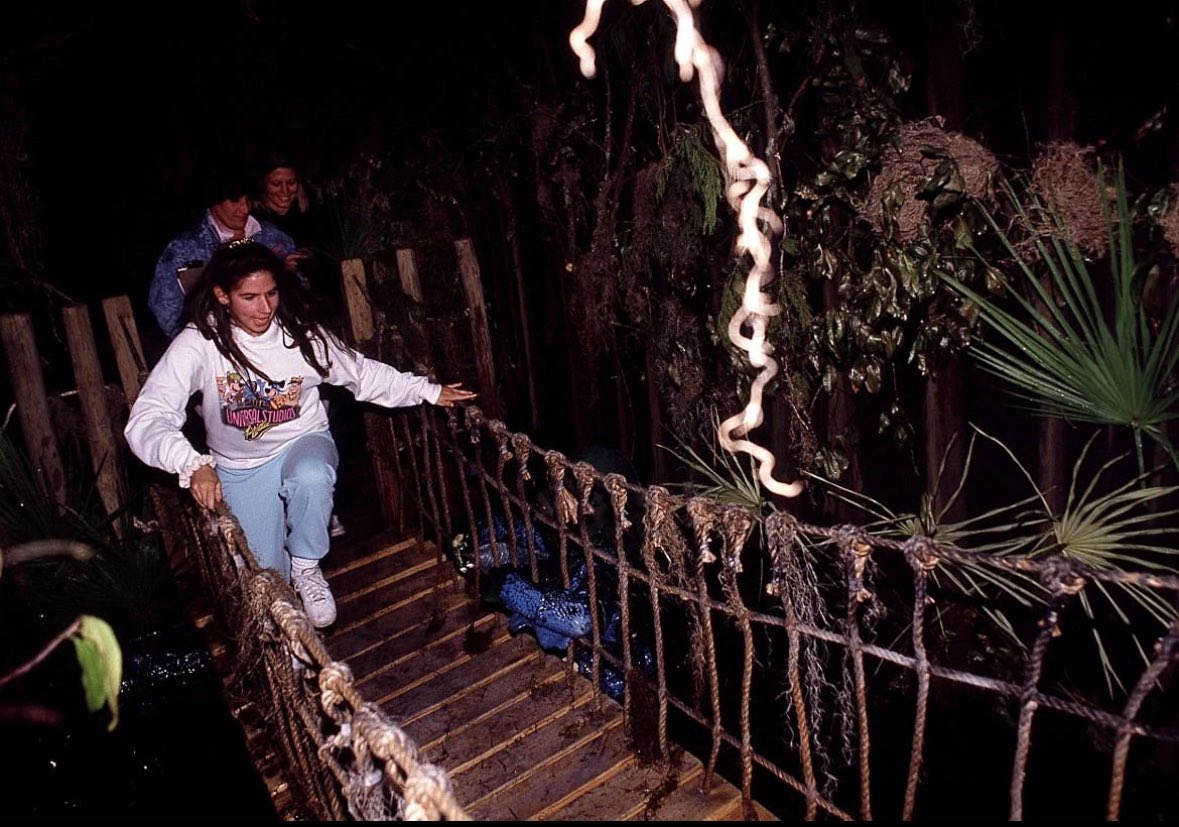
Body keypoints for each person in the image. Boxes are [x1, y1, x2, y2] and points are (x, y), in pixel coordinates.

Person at [125, 240, 476, 628]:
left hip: (302, 441)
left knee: (310, 474)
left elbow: (360, 373)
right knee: (263, 581)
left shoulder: (299, 334)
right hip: (240, 468)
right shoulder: (200, 343)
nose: (264, 309)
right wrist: (191, 464)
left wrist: (426, 390)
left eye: (271, 293)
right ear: (222, 296)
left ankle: (307, 567)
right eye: (250, 297)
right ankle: (292, 653)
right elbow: (148, 417)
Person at [149, 160, 298, 339]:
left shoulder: (274, 238)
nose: (244, 209)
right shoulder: (183, 251)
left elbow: (297, 302)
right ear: (214, 200)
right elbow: (167, 313)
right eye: (234, 201)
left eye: (248, 200)